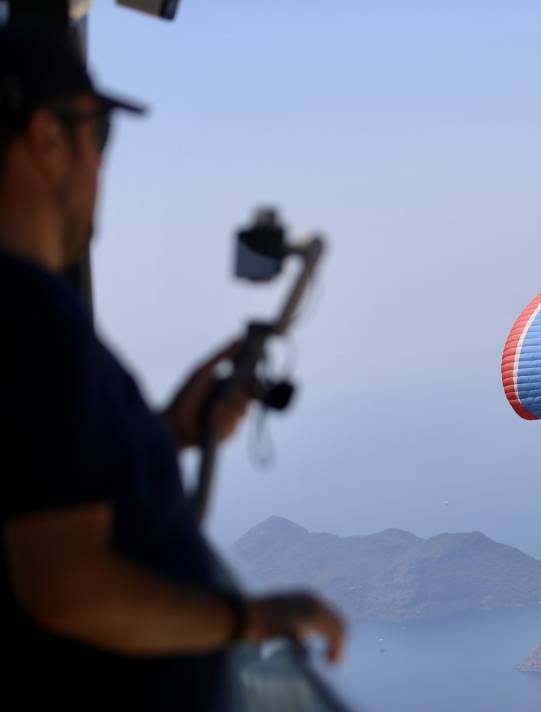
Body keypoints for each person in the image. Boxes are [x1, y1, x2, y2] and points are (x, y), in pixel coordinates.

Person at [0, 21, 345, 710]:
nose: (102, 165)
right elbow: (67, 590)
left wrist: (172, 433)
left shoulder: (25, 315)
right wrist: (254, 619)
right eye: (100, 136)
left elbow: (45, 482)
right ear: (46, 138)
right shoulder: (30, 316)